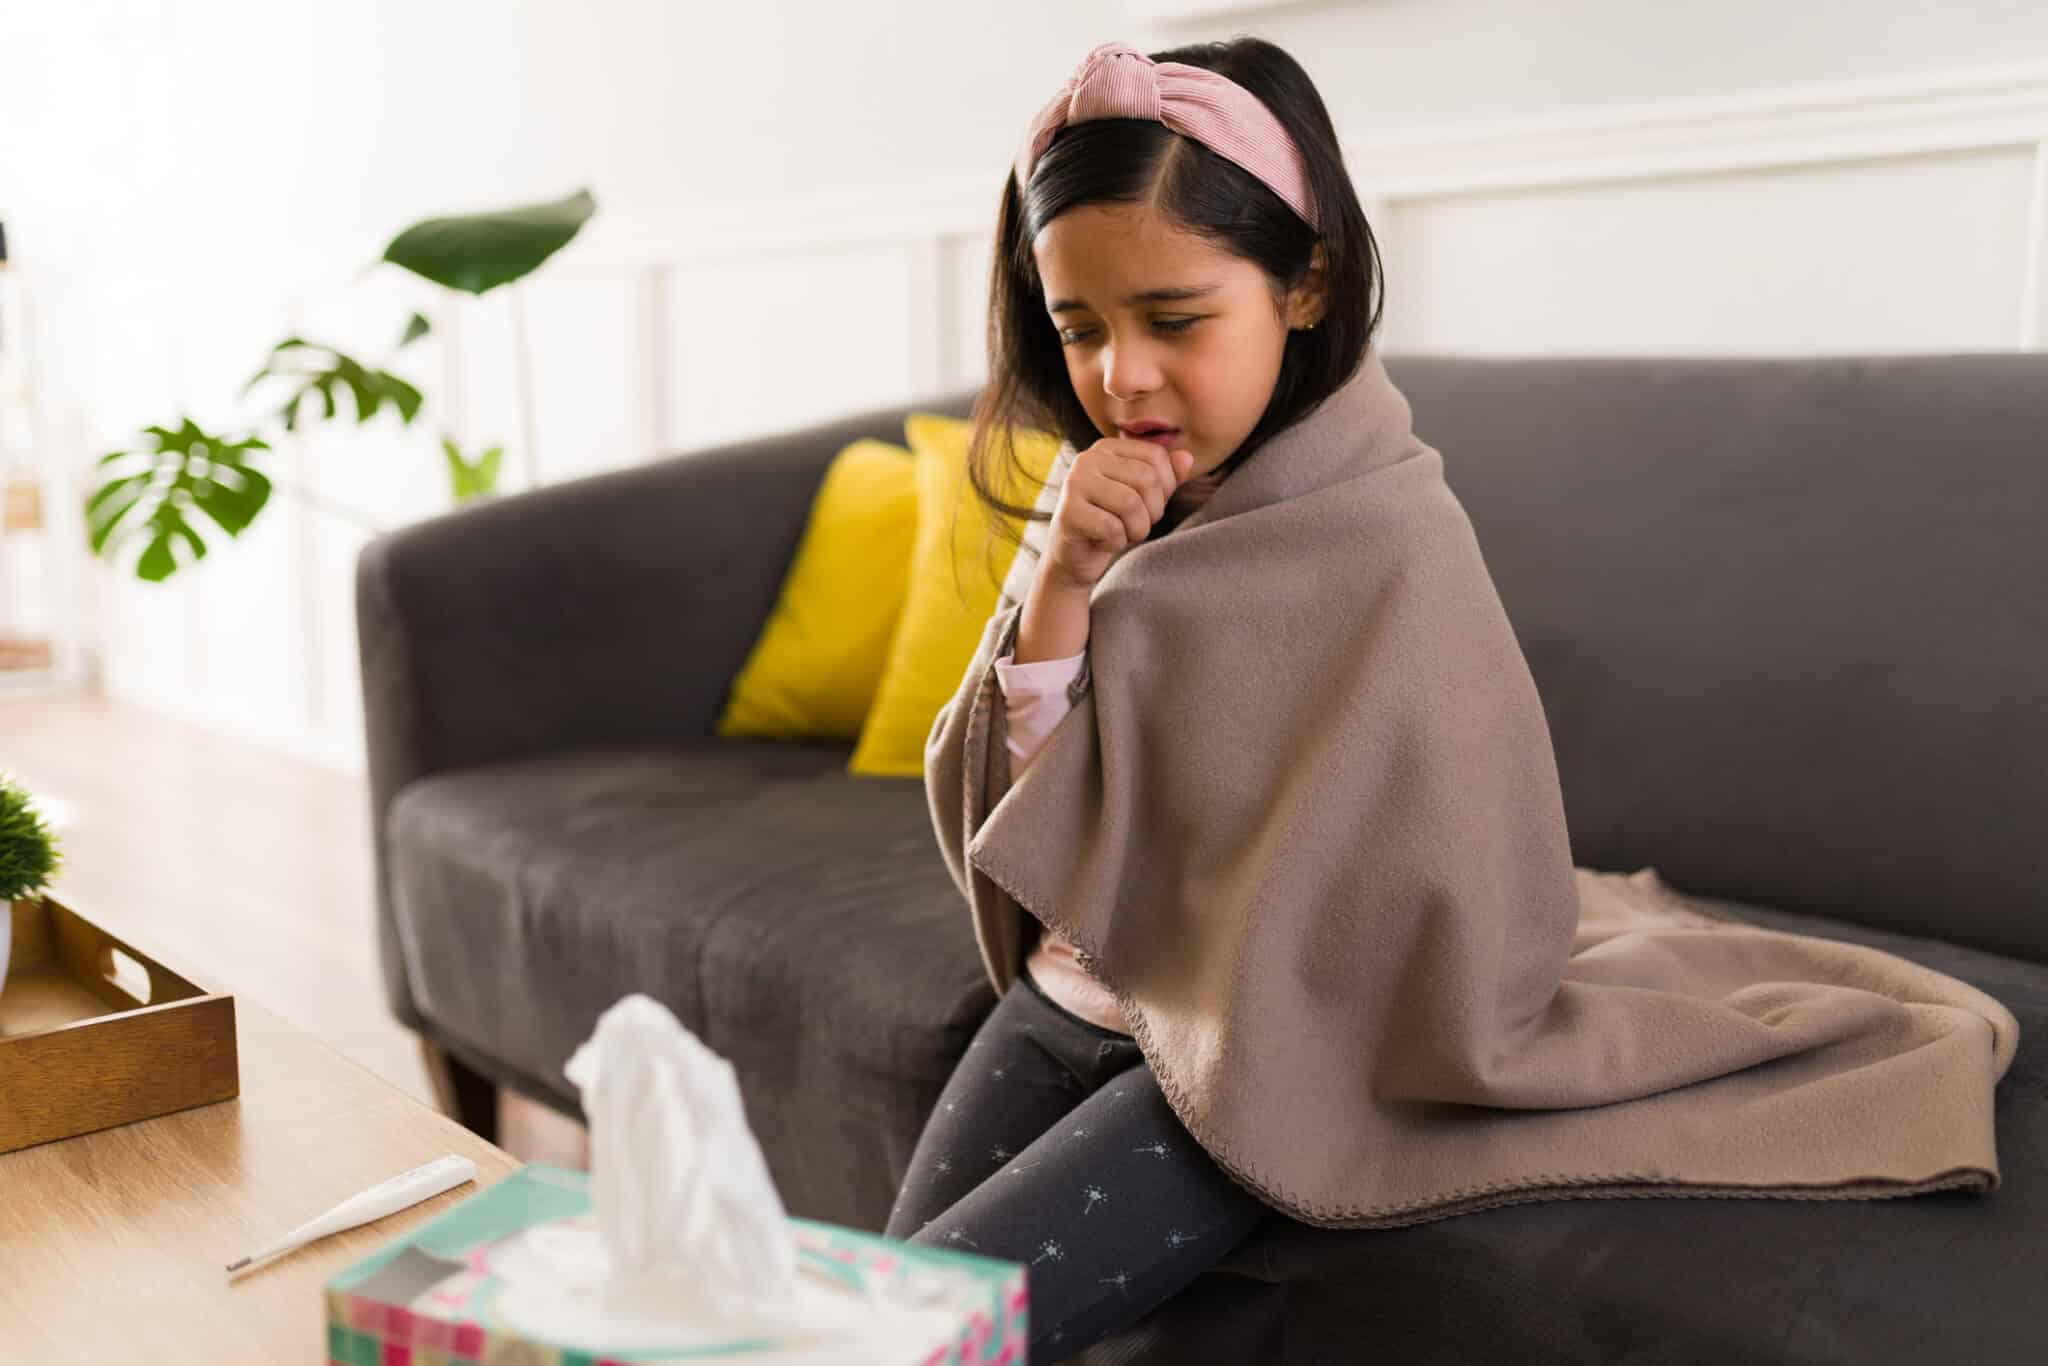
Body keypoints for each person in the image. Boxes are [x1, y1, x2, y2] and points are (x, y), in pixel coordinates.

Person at [885, 35, 1380, 1360]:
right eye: (1081, 328)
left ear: (1305, 280)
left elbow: (1384, 882)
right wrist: (1058, 579)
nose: (1121, 377)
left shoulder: (1384, 528)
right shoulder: (1109, 499)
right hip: (1076, 993)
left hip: (1244, 1065)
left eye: (1174, 320)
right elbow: (1053, 843)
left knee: (917, 1340)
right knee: (880, 1308)